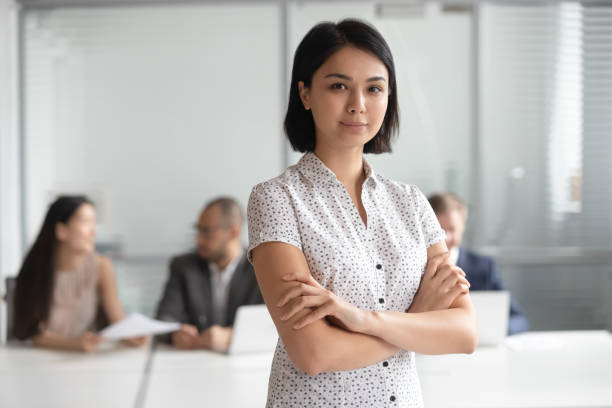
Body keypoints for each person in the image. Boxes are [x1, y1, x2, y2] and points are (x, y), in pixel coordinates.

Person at [247, 19, 477, 407]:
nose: (358, 104)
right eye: (339, 86)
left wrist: (360, 319)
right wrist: (419, 318)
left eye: (374, 88)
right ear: (305, 93)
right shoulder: (276, 200)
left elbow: (463, 332)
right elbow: (314, 353)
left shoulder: (412, 203)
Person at [13, 195, 148, 352]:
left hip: (85, 362)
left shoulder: (102, 267)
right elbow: (33, 334)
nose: (93, 232)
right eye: (85, 222)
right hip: (35, 360)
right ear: (61, 230)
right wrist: (73, 344)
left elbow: (117, 320)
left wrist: (131, 335)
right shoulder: (36, 269)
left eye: (94, 223)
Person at [156, 197, 263, 352]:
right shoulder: (183, 266)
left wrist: (231, 337)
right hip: (191, 363)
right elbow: (163, 319)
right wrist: (174, 334)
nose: (198, 240)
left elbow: (273, 326)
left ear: (234, 232)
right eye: (198, 230)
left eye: (206, 232)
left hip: (247, 364)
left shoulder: (259, 268)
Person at [423, 192, 529, 335]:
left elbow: (519, 319)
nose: (445, 238)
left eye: (451, 229)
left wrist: (493, 330)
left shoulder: (484, 267)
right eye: (439, 231)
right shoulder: (413, 270)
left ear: (462, 228)